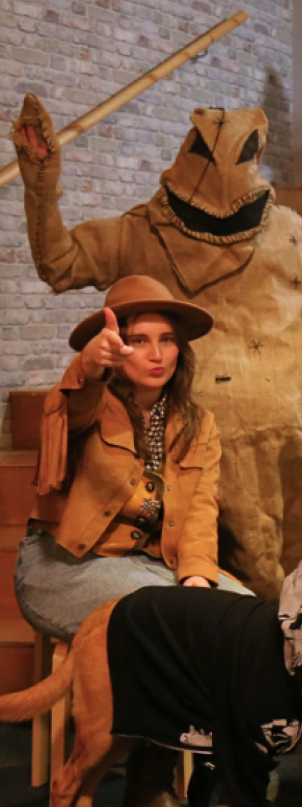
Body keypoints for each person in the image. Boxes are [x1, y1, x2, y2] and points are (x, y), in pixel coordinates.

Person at [13, 97, 302, 598]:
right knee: (225, 572)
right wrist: (40, 180)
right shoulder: (146, 232)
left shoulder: (283, 230)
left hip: (288, 432)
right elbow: (61, 263)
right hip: (198, 439)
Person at [13, 276, 254, 807]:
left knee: (242, 618)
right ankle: (146, 784)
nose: (156, 353)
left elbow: (200, 512)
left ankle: (172, 769)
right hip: (63, 566)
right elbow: (69, 407)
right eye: (138, 339)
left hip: (150, 569)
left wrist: (196, 574)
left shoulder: (198, 422)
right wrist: (89, 366)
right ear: (115, 347)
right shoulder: (90, 400)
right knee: (170, 624)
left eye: (166, 339)